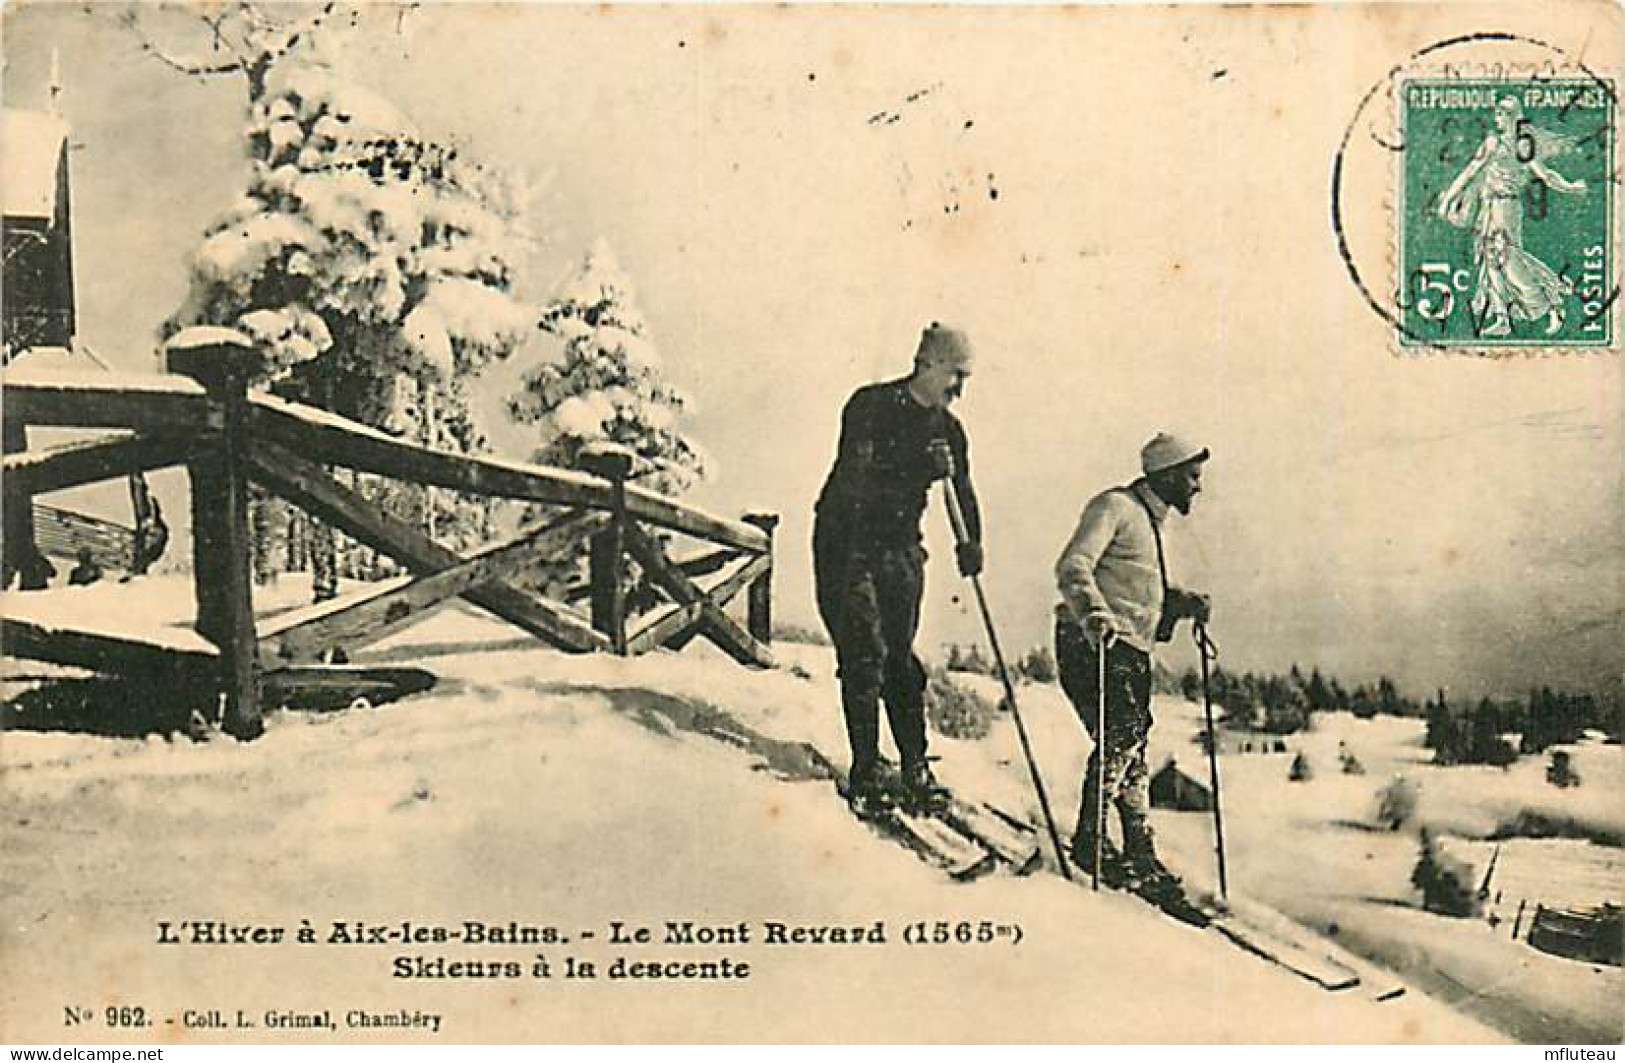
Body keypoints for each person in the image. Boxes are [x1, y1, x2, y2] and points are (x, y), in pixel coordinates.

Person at [814, 322, 984, 816]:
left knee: (901, 660)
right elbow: (855, 481)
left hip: (901, 547)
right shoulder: (870, 406)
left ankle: (915, 767)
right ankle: (866, 768)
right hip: (847, 543)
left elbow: (964, 489)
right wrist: (915, 465)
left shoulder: (949, 429)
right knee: (864, 651)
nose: (959, 390)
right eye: (955, 375)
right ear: (927, 363)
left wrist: (972, 541)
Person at [1054, 433, 1211, 917]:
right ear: (1165, 475)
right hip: (1092, 642)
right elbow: (1073, 566)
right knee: (1122, 737)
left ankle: (1137, 847)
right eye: (1191, 476)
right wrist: (1095, 616)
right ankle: (1092, 840)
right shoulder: (1115, 507)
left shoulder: (1153, 523)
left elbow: (1139, 590)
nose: (1197, 487)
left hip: (1129, 648)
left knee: (1133, 747)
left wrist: (1180, 602)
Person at [1436, 95, 1588, 338]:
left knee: (1510, 261)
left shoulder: (1521, 146)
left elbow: (1545, 174)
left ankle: (1547, 301)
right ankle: (1503, 317)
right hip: (1490, 205)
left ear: (1514, 117)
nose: (1499, 118)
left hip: (1506, 207)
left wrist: (1569, 188)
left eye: (1504, 114)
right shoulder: (1493, 143)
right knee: (1492, 262)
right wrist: (1448, 199)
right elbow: (1470, 172)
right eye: (1497, 113)